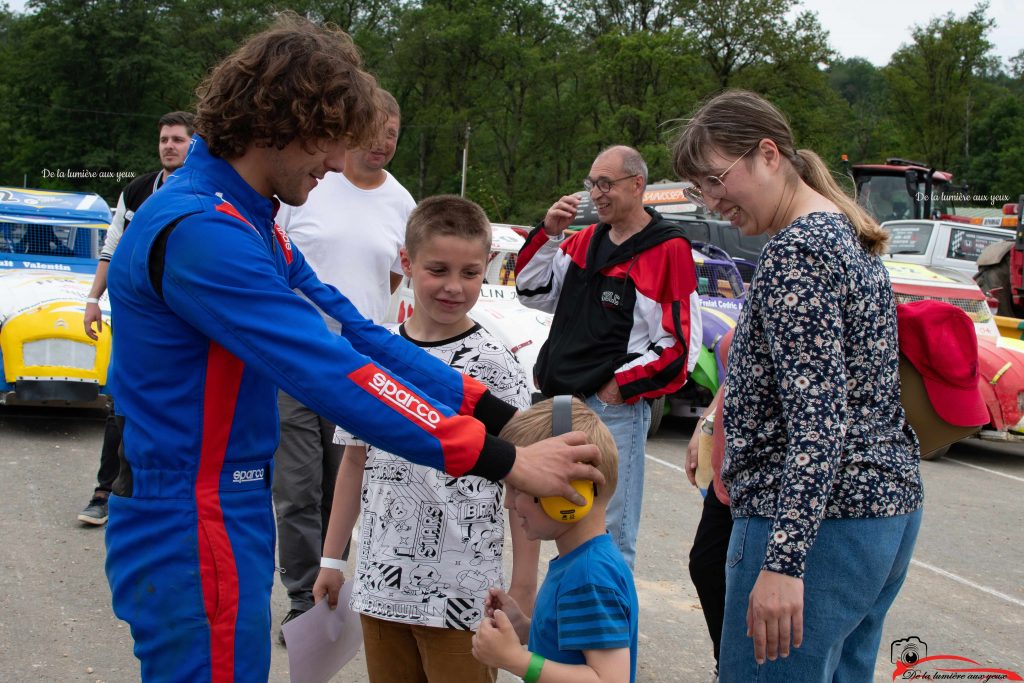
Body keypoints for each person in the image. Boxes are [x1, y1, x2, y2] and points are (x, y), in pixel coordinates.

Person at [103, 15, 601, 683]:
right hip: (189, 510)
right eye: (332, 144)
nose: (338, 165)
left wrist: (503, 415)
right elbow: (332, 372)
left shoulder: (249, 218)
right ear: (281, 123)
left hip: (222, 502)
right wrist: (507, 460)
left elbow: (360, 332)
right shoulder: (201, 231)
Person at [671, 89, 923, 681]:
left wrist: (783, 563)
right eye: (697, 190)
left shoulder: (798, 253)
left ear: (767, 154)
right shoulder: (843, 234)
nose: (710, 201)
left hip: (818, 529)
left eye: (714, 179)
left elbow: (818, 422)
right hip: (880, 513)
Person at [312, 196, 540, 682]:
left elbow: (523, 481)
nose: (454, 287)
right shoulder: (374, 355)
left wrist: (523, 583)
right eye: (438, 269)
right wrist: (332, 559)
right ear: (406, 262)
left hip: (464, 596)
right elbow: (353, 464)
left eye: (471, 273)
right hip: (379, 588)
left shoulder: (499, 366)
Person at [271, 89, 415, 642]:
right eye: (375, 131)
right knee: (297, 487)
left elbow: (392, 279)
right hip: (293, 359)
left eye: (394, 135)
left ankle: (333, 584)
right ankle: (303, 598)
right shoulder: (311, 182)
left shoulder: (402, 202)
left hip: (356, 364)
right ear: (351, 131)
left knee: (343, 488)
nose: (383, 143)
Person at [515, 145, 701, 569]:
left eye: (605, 184)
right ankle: (574, 625)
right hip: (562, 403)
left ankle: (611, 634)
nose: (595, 194)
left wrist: (618, 387)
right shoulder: (584, 240)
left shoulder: (667, 249)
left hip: (610, 410)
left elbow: (680, 347)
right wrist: (548, 233)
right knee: (561, 519)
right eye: (591, 184)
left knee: (609, 535)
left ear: (638, 186)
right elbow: (532, 291)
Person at [77, 110, 194, 526]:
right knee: (121, 403)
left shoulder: (206, 193)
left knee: (179, 407)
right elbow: (111, 249)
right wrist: (93, 299)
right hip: (135, 321)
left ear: (193, 145)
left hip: (185, 325)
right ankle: (105, 491)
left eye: (178, 139)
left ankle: (166, 499)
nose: (169, 146)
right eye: (164, 139)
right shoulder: (137, 189)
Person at [472, 397, 639, 683]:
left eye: (519, 487)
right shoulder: (580, 561)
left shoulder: (589, 576)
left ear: (572, 490)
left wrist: (516, 660)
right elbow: (574, 648)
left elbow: (610, 679)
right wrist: (526, 628)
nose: (509, 504)